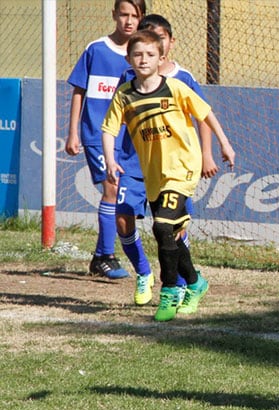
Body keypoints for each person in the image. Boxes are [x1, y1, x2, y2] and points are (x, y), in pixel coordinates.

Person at [101, 30, 235, 322]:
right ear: (129, 58)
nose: (143, 59)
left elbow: (205, 113)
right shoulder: (124, 95)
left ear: (161, 58)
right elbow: (109, 128)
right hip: (153, 175)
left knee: (162, 227)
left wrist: (224, 144)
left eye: (150, 55)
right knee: (169, 233)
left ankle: (170, 291)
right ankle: (196, 282)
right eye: (137, 54)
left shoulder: (174, 88)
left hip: (183, 168)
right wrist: (111, 160)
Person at [66, 0, 147, 279]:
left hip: (126, 140)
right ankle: (106, 256)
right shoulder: (96, 49)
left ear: (141, 18)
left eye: (134, 15)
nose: (128, 20)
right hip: (96, 134)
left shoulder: (143, 55)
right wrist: (73, 132)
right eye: (123, 14)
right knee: (111, 188)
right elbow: (79, 91)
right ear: (113, 15)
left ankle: (100, 256)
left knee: (121, 194)